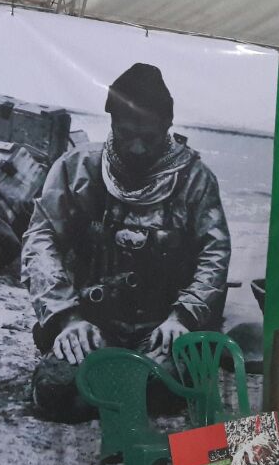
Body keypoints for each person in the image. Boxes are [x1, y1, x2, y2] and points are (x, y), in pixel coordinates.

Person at [21, 63, 231, 422]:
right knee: (56, 393)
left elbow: (215, 254)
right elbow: (41, 240)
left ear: (167, 125)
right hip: (91, 322)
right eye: (125, 133)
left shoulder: (196, 180)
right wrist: (67, 318)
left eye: (149, 137)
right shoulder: (76, 168)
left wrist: (183, 317)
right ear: (112, 121)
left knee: (161, 389)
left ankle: (125, 385)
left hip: (163, 327)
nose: (136, 148)